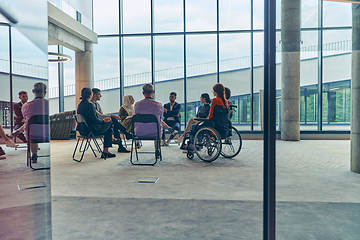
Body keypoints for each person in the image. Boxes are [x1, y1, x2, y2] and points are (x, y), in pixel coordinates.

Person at [186, 83, 229, 152]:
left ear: (216, 92)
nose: (213, 93)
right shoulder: (225, 101)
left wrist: (203, 120)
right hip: (222, 125)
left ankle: (195, 145)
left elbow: (211, 116)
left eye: (213, 91)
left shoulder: (214, 100)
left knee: (193, 127)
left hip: (212, 125)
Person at [77, 87, 116, 158]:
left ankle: (109, 144)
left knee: (107, 125)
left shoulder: (80, 105)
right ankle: (106, 151)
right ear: (90, 95)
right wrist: (103, 121)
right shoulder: (90, 105)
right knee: (109, 123)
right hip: (92, 130)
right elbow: (94, 120)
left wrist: (103, 121)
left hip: (83, 131)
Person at [91, 88, 132, 153]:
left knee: (114, 124)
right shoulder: (90, 105)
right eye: (99, 94)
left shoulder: (97, 104)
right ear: (94, 95)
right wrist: (111, 116)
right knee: (113, 119)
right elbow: (99, 116)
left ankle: (121, 146)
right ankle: (126, 134)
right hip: (97, 125)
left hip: (101, 123)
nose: (100, 96)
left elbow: (101, 115)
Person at [21, 82, 49, 163]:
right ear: (45, 92)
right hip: (48, 134)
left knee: (33, 130)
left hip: (32, 136)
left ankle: (34, 154)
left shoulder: (26, 106)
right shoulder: (49, 104)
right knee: (37, 129)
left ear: (33, 91)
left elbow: (26, 120)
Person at [134, 84, 164, 158]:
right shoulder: (159, 105)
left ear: (143, 93)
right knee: (159, 127)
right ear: (153, 92)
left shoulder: (137, 104)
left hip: (139, 132)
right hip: (154, 133)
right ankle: (157, 149)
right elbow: (160, 120)